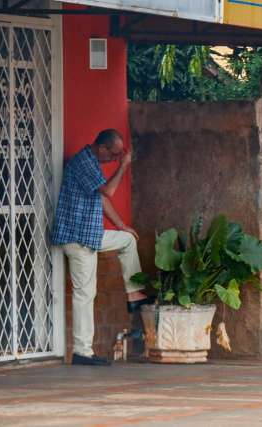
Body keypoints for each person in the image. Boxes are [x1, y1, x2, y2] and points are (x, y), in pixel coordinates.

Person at [52, 129, 152, 366]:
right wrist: (124, 166)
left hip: (92, 235)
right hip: (77, 238)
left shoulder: (93, 162)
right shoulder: (83, 162)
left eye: (118, 156)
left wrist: (121, 225)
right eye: (114, 154)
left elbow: (102, 199)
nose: (115, 159)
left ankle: (134, 295)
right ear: (103, 148)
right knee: (85, 294)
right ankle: (82, 351)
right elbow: (108, 191)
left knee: (128, 240)